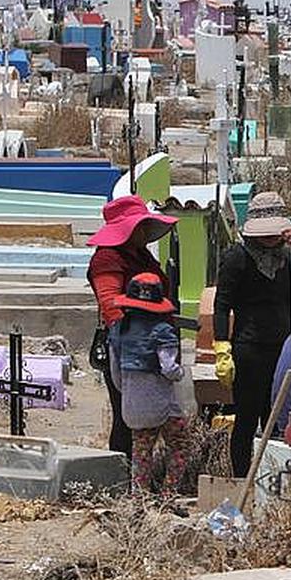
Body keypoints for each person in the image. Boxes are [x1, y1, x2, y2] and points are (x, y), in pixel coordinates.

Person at [87, 195, 177, 459]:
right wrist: (139, 344)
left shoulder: (140, 254)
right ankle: (124, 473)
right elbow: (110, 305)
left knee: (152, 419)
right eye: (141, 225)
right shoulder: (107, 259)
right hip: (128, 350)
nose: (146, 231)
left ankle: (141, 473)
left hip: (153, 346)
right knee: (128, 417)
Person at [214, 193, 291, 477]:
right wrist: (221, 346)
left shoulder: (289, 258)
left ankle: (271, 480)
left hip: (283, 349)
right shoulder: (237, 258)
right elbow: (222, 305)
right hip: (249, 350)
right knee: (247, 420)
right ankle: (241, 481)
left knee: (277, 419)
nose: (271, 239)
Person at [109, 272, 187, 497]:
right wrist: (180, 374)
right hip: (162, 403)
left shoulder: (119, 330)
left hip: (133, 404)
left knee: (141, 454)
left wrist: (129, 391)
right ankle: (168, 494)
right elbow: (169, 368)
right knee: (180, 445)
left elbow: (115, 373)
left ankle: (140, 499)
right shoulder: (162, 331)